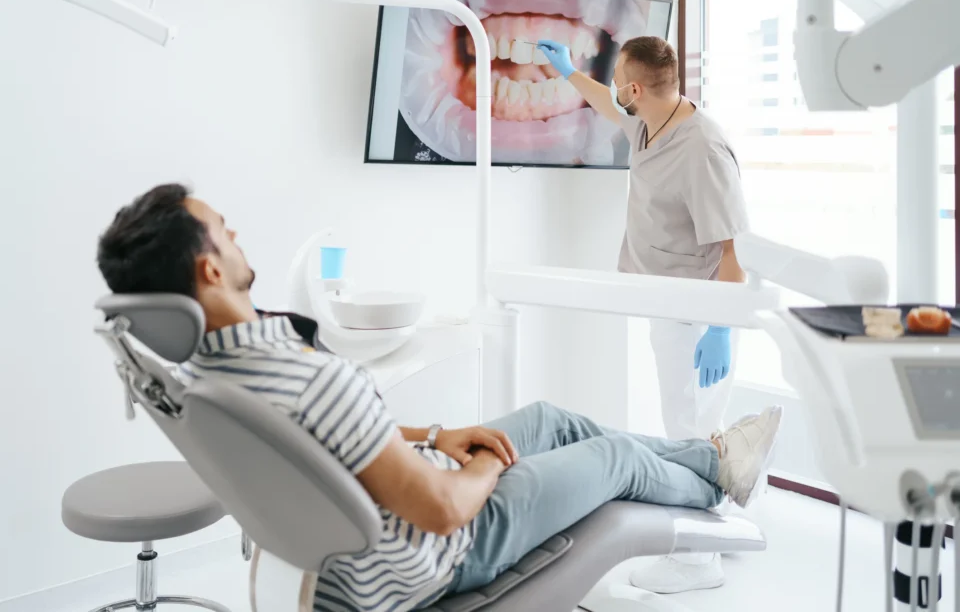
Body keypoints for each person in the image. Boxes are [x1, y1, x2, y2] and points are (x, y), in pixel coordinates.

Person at [95, 184, 780, 612]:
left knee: (549, 418)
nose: (238, 233)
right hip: (433, 554)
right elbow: (444, 509)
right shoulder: (303, 379)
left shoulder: (218, 374)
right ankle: (718, 477)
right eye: (223, 227)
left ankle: (712, 457)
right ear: (210, 266)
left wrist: (434, 437)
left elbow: (329, 447)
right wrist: (486, 467)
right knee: (611, 461)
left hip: (356, 558)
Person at [537, 35, 751, 593]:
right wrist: (568, 73)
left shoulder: (703, 147)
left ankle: (699, 560)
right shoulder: (649, 119)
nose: (614, 92)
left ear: (637, 86)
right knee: (698, 427)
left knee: (690, 431)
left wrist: (722, 328)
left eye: (618, 82)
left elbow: (734, 254)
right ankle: (728, 519)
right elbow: (611, 107)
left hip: (698, 309)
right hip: (665, 300)